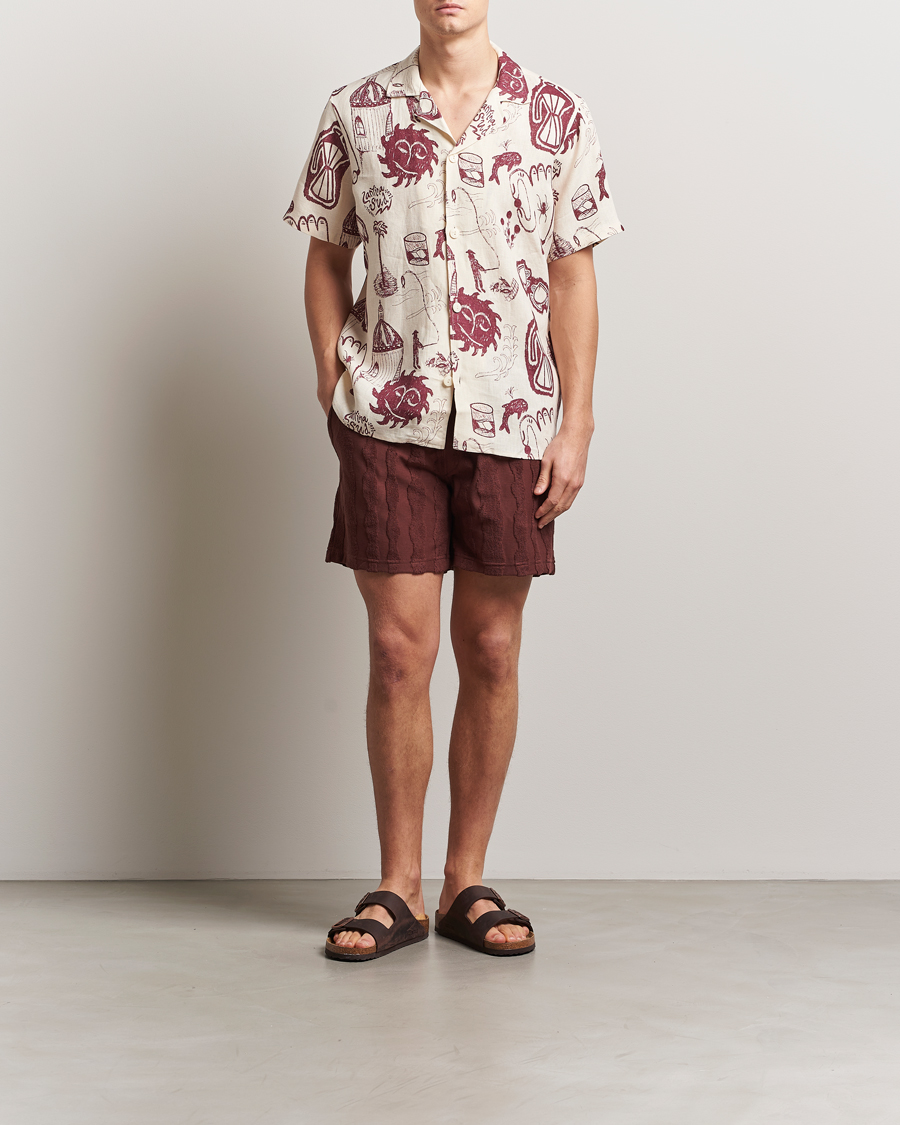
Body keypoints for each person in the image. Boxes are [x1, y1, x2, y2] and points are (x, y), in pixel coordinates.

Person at [283, 0, 623, 961]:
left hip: (512, 420)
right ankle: (397, 886)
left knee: (494, 647)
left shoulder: (555, 113)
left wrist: (577, 423)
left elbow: (572, 274)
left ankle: (466, 879)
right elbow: (326, 252)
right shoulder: (355, 111)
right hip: (387, 418)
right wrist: (331, 375)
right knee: (399, 651)